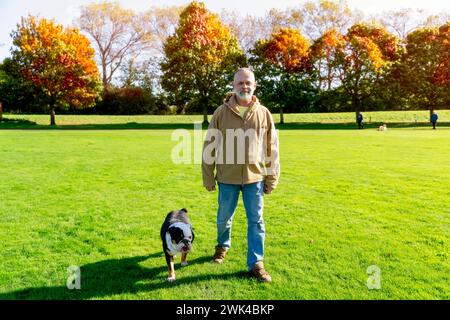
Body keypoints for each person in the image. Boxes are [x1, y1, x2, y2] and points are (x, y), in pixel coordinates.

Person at [202, 68, 280, 283]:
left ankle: (256, 263)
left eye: (248, 83)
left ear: (254, 85)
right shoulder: (221, 112)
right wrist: (208, 177)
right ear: (233, 85)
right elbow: (210, 145)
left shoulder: (264, 113)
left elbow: (272, 148)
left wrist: (272, 176)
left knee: (256, 221)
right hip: (227, 178)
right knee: (224, 218)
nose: (244, 86)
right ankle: (222, 247)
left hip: (255, 179)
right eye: (240, 83)